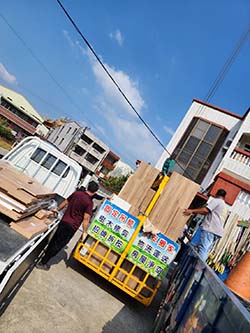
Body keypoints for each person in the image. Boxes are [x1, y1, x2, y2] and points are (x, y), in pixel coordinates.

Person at [36, 181, 99, 270]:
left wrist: (57, 210)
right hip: (72, 226)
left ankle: (44, 256)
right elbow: (86, 219)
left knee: (54, 240)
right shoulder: (89, 203)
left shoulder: (77, 194)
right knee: (59, 244)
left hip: (64, 221)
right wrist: (84, 232)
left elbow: (65, 202)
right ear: (95, 192)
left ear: (88, 186)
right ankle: (43, 262)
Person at [183, 189, 228, 261]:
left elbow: (205, 210)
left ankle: (198, 268)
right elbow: (206, 212)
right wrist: (195, 212)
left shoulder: (217, 201)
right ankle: (199, 267)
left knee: (202, 248)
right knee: (206, 250)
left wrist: (191, 211)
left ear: (216, 194)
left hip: (210, 229)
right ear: (224, 197)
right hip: (217, 232)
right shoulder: (225, 206)